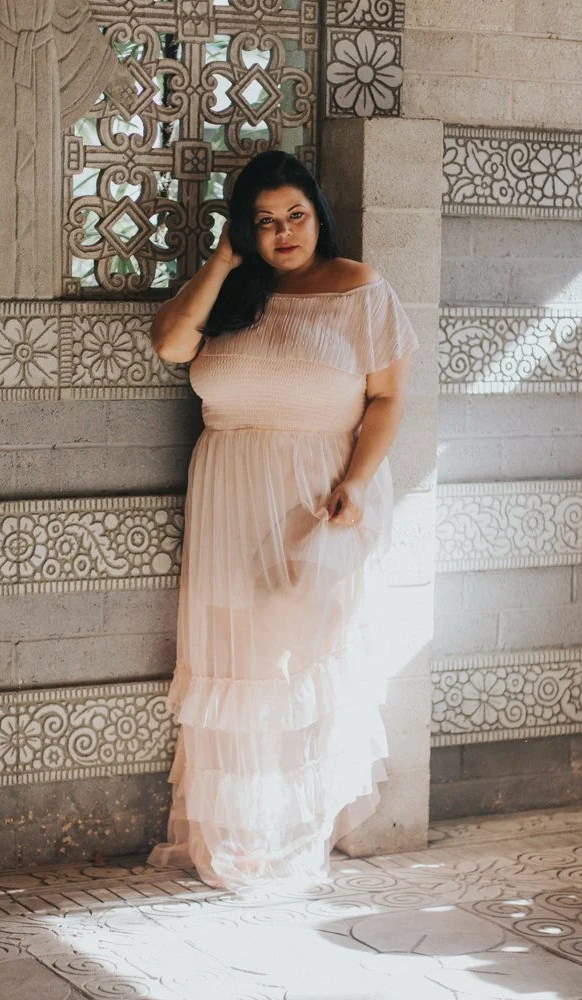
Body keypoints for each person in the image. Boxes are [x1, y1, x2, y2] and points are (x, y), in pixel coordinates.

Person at [146, 149, 419, 893]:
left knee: (296, 657)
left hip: (318, 494)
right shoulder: (233, 291)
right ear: (245, 229)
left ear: (317, 215)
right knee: (234, 660)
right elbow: (171, 345)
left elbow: (388, 399)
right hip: (229, 493)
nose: (284, 232)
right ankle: (241, 835)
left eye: (296, 214)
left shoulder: (361, 288)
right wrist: (223, 261)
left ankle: (297, 828)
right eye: (264, 221)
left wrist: (355, 481)